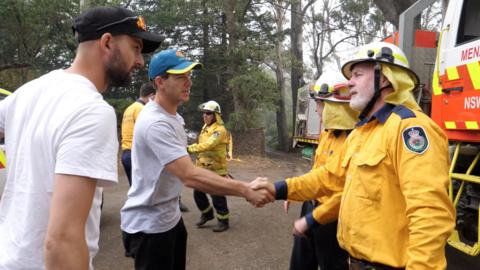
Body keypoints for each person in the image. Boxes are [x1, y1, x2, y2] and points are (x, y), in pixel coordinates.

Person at [253, 42, 455, 269]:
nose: (349, 82)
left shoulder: (410, 130)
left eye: (357, 74)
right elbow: (330, 177)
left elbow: (430, 214)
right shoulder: (362, 132)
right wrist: (279, 188)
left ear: (385, 78)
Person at [0, 6, 162, 270]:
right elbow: (62, 240)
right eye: (135, 47)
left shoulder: (29, 92)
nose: (140, 61)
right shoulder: (92, 111)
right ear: (107, 42)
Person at [120, 48, 273, 270]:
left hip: (169, 218)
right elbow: (189, 176)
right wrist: (245, 189)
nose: (188, 82)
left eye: (189, 76)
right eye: (180, 77)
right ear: (160, 81)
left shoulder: (174, 117)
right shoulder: (155, 122)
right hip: (150, 227)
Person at [285, 72, 357, 270]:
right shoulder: (327, 133)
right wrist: (294, 191)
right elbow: (319, 171)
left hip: (331, 216)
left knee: (331, 263)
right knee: (300, 261)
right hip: (312, 203)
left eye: (320, 104)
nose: (316, 111)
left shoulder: (354, 140)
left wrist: (312, 219)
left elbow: (344, 191)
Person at [187, 100, 231, 232]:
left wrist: (189, 148)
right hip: (203, 167)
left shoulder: (220, 130)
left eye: (208, 113)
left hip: (216, 169)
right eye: (204, 113)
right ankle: (207, 214)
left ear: (216, 115)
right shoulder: (205, 127)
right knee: (198, 193)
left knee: (217, 195)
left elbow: (209, 145)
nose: (204, 116)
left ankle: (223, 221)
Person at [121, 82, 155, 185]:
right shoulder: (142, 109)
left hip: (125, 154)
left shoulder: (129, 108)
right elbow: (147, 133)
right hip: (137, 154)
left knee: (134, 190)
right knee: (143, 191)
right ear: (151, 96)